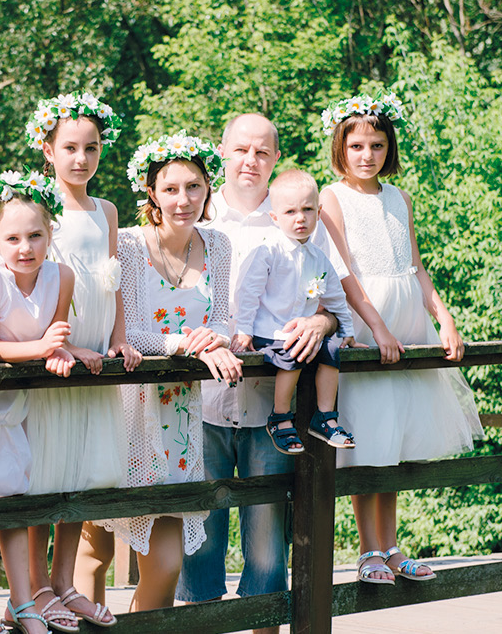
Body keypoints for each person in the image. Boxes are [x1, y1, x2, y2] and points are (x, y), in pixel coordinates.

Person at [175, 115, 337, 634]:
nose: (251, 160)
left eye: (262, 152)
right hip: (200, 402)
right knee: (199, 534)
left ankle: (266, 627)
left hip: (272, 405)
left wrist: (321, 322)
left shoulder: (297, 212)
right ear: (222, 151)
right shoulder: (193, 210)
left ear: (275, 158)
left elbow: (332, 297)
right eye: (242, 149)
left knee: (267, 538)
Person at [318, 93, 484, 584]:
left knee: (393, 439)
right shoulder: (332, 197)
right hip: (368, 322)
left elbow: (415, 266)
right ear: (340, 148)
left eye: (377, 145)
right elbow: (343, 271)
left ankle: (391, 547)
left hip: (408, 321)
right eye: (356, 146)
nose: (367, 155)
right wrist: (376, 327)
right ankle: (368, 550)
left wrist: (444, 317)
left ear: (389, 148)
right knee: (368, 435)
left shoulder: (400, 198)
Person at [95, 131, 243, 612]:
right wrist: (186, 343)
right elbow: (129, 333)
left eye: (194, 187)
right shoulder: (129, 245)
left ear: (208, 188)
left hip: (179, 418)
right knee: (93, 555)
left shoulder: (217, 244)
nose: (184, 199)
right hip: (122, 411)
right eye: (171, 188)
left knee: (165, 565)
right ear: (152, 193)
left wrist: (214, 339)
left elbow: (221, 318)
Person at [24, 93, 139, 630]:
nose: (81, 158)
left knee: (82, 471)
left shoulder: (106, 211)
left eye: (91, 148)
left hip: (97, 352)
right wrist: (62, 344)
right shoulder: (37, 207)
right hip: (56, 352)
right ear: (48, 150)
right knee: (46, 469)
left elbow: (113, 281)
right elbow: (28, 280)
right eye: (69, 147)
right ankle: (34, 587)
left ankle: (64, 581)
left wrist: (119, 338)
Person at [0, 171, 83, 634]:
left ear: (51, 234)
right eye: (12, 238)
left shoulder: (62, 276)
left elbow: (56, 336)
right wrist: (42, 348)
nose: (25, 248)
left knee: (15, 491)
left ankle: (22, 601)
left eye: (35, 236)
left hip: (21, 403)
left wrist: (65, 351)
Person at [232, 169, 359, 455]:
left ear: (319, 212)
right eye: (290, 212)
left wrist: (348, 332)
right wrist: (244, 331)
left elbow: (336, 298)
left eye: (307, 210)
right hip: (269, 331)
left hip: (301, 333)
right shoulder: (268, 252)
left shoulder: (319, 257)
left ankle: (325, 418)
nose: (300, 218)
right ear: (275, 217)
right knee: (294, 350)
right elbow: (248, 294)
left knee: (331, 349)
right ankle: (279, 417)